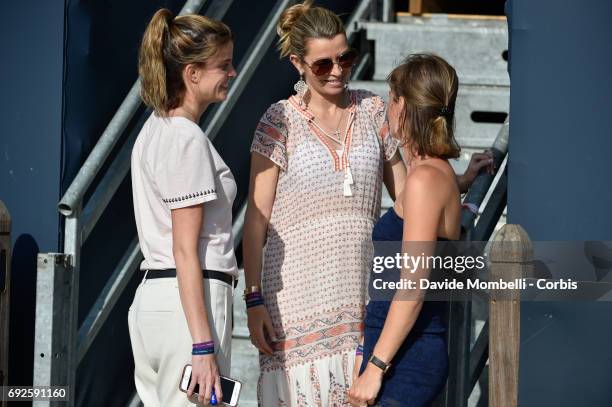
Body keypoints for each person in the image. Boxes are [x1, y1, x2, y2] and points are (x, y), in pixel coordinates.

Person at [243, 2, 492, 405]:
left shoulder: (374, 109)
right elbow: (255, 221)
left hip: (360, 304)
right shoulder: (278, 121)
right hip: (294, 301)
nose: (338, 70)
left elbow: (410, 193)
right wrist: (253, 300)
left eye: (346, 57)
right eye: (323, 64)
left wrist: (458, 182)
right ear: (297, 64)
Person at [128, 9, 237, 406]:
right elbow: (184, 248)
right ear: (192, 73)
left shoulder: (153, 129)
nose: (233, 72)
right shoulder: (185, 138)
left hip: (156, 302)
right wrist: (203, 343)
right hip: (189, 305)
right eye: (223, 65)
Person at [348, 54, 462, 407]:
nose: (386, 108)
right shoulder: (429, 173)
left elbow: (413, 286)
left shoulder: (426, 178)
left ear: (404, 107)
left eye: (391, 98)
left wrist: (376, 368)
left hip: (407, 357)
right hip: (392, 347)